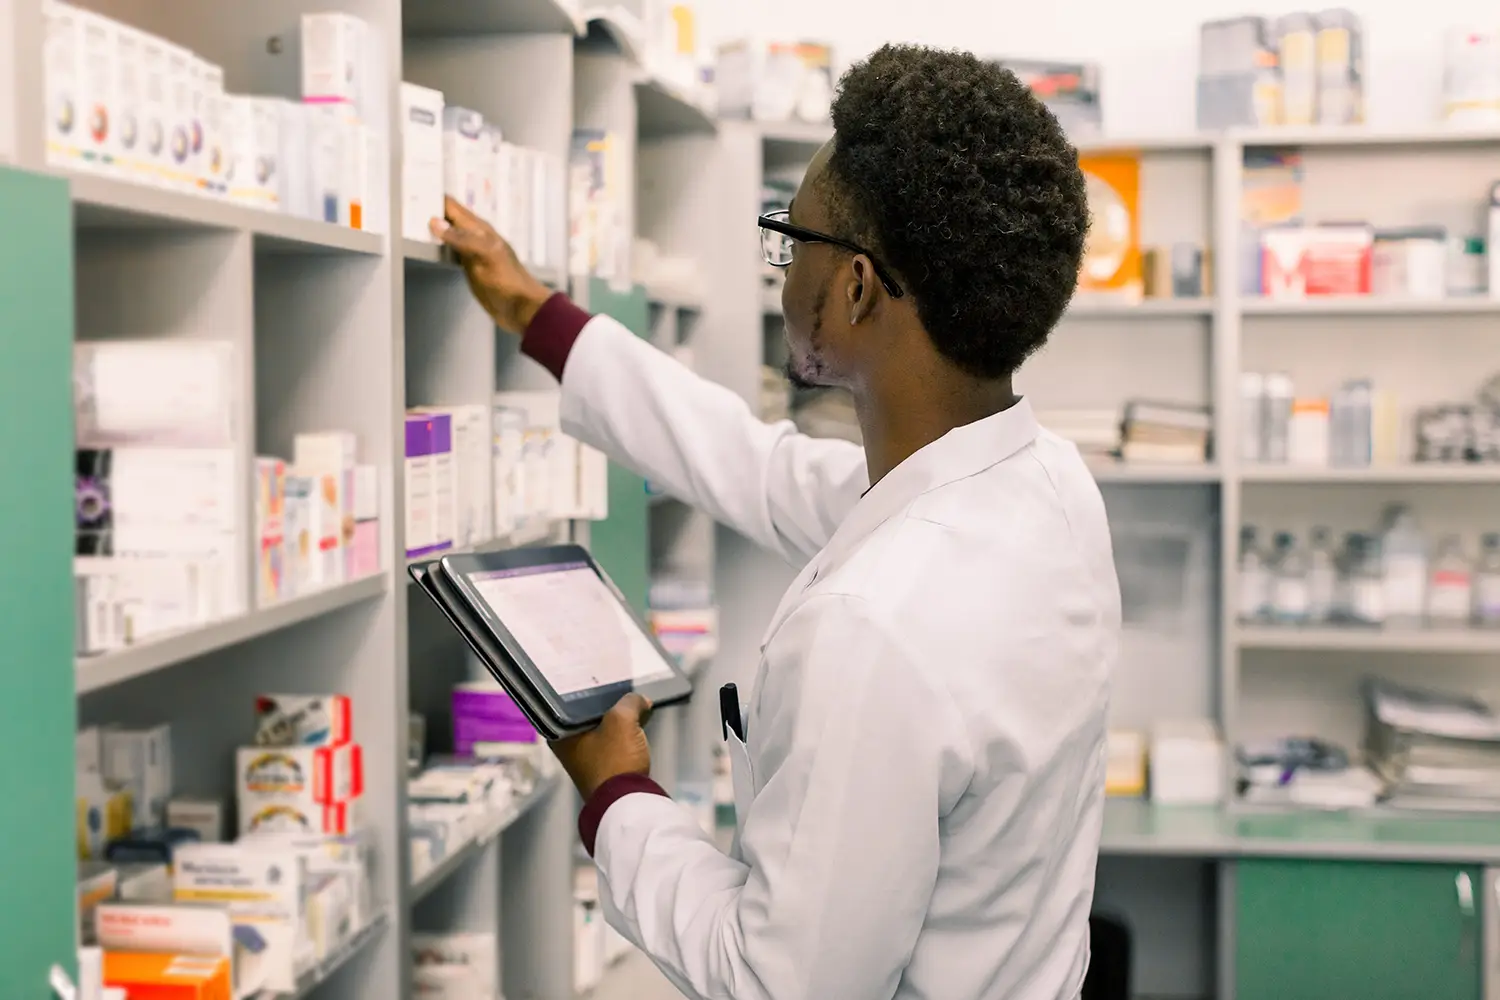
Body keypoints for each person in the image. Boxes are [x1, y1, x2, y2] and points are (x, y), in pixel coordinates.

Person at [433, 43, 1118, 1000]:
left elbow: (777, 984)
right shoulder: (1043, 487)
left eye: (791, 240)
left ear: (857, 288)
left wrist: (617, 790)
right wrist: (539, 316)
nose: (782, 270)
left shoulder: (876, 624)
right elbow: (758, 467)